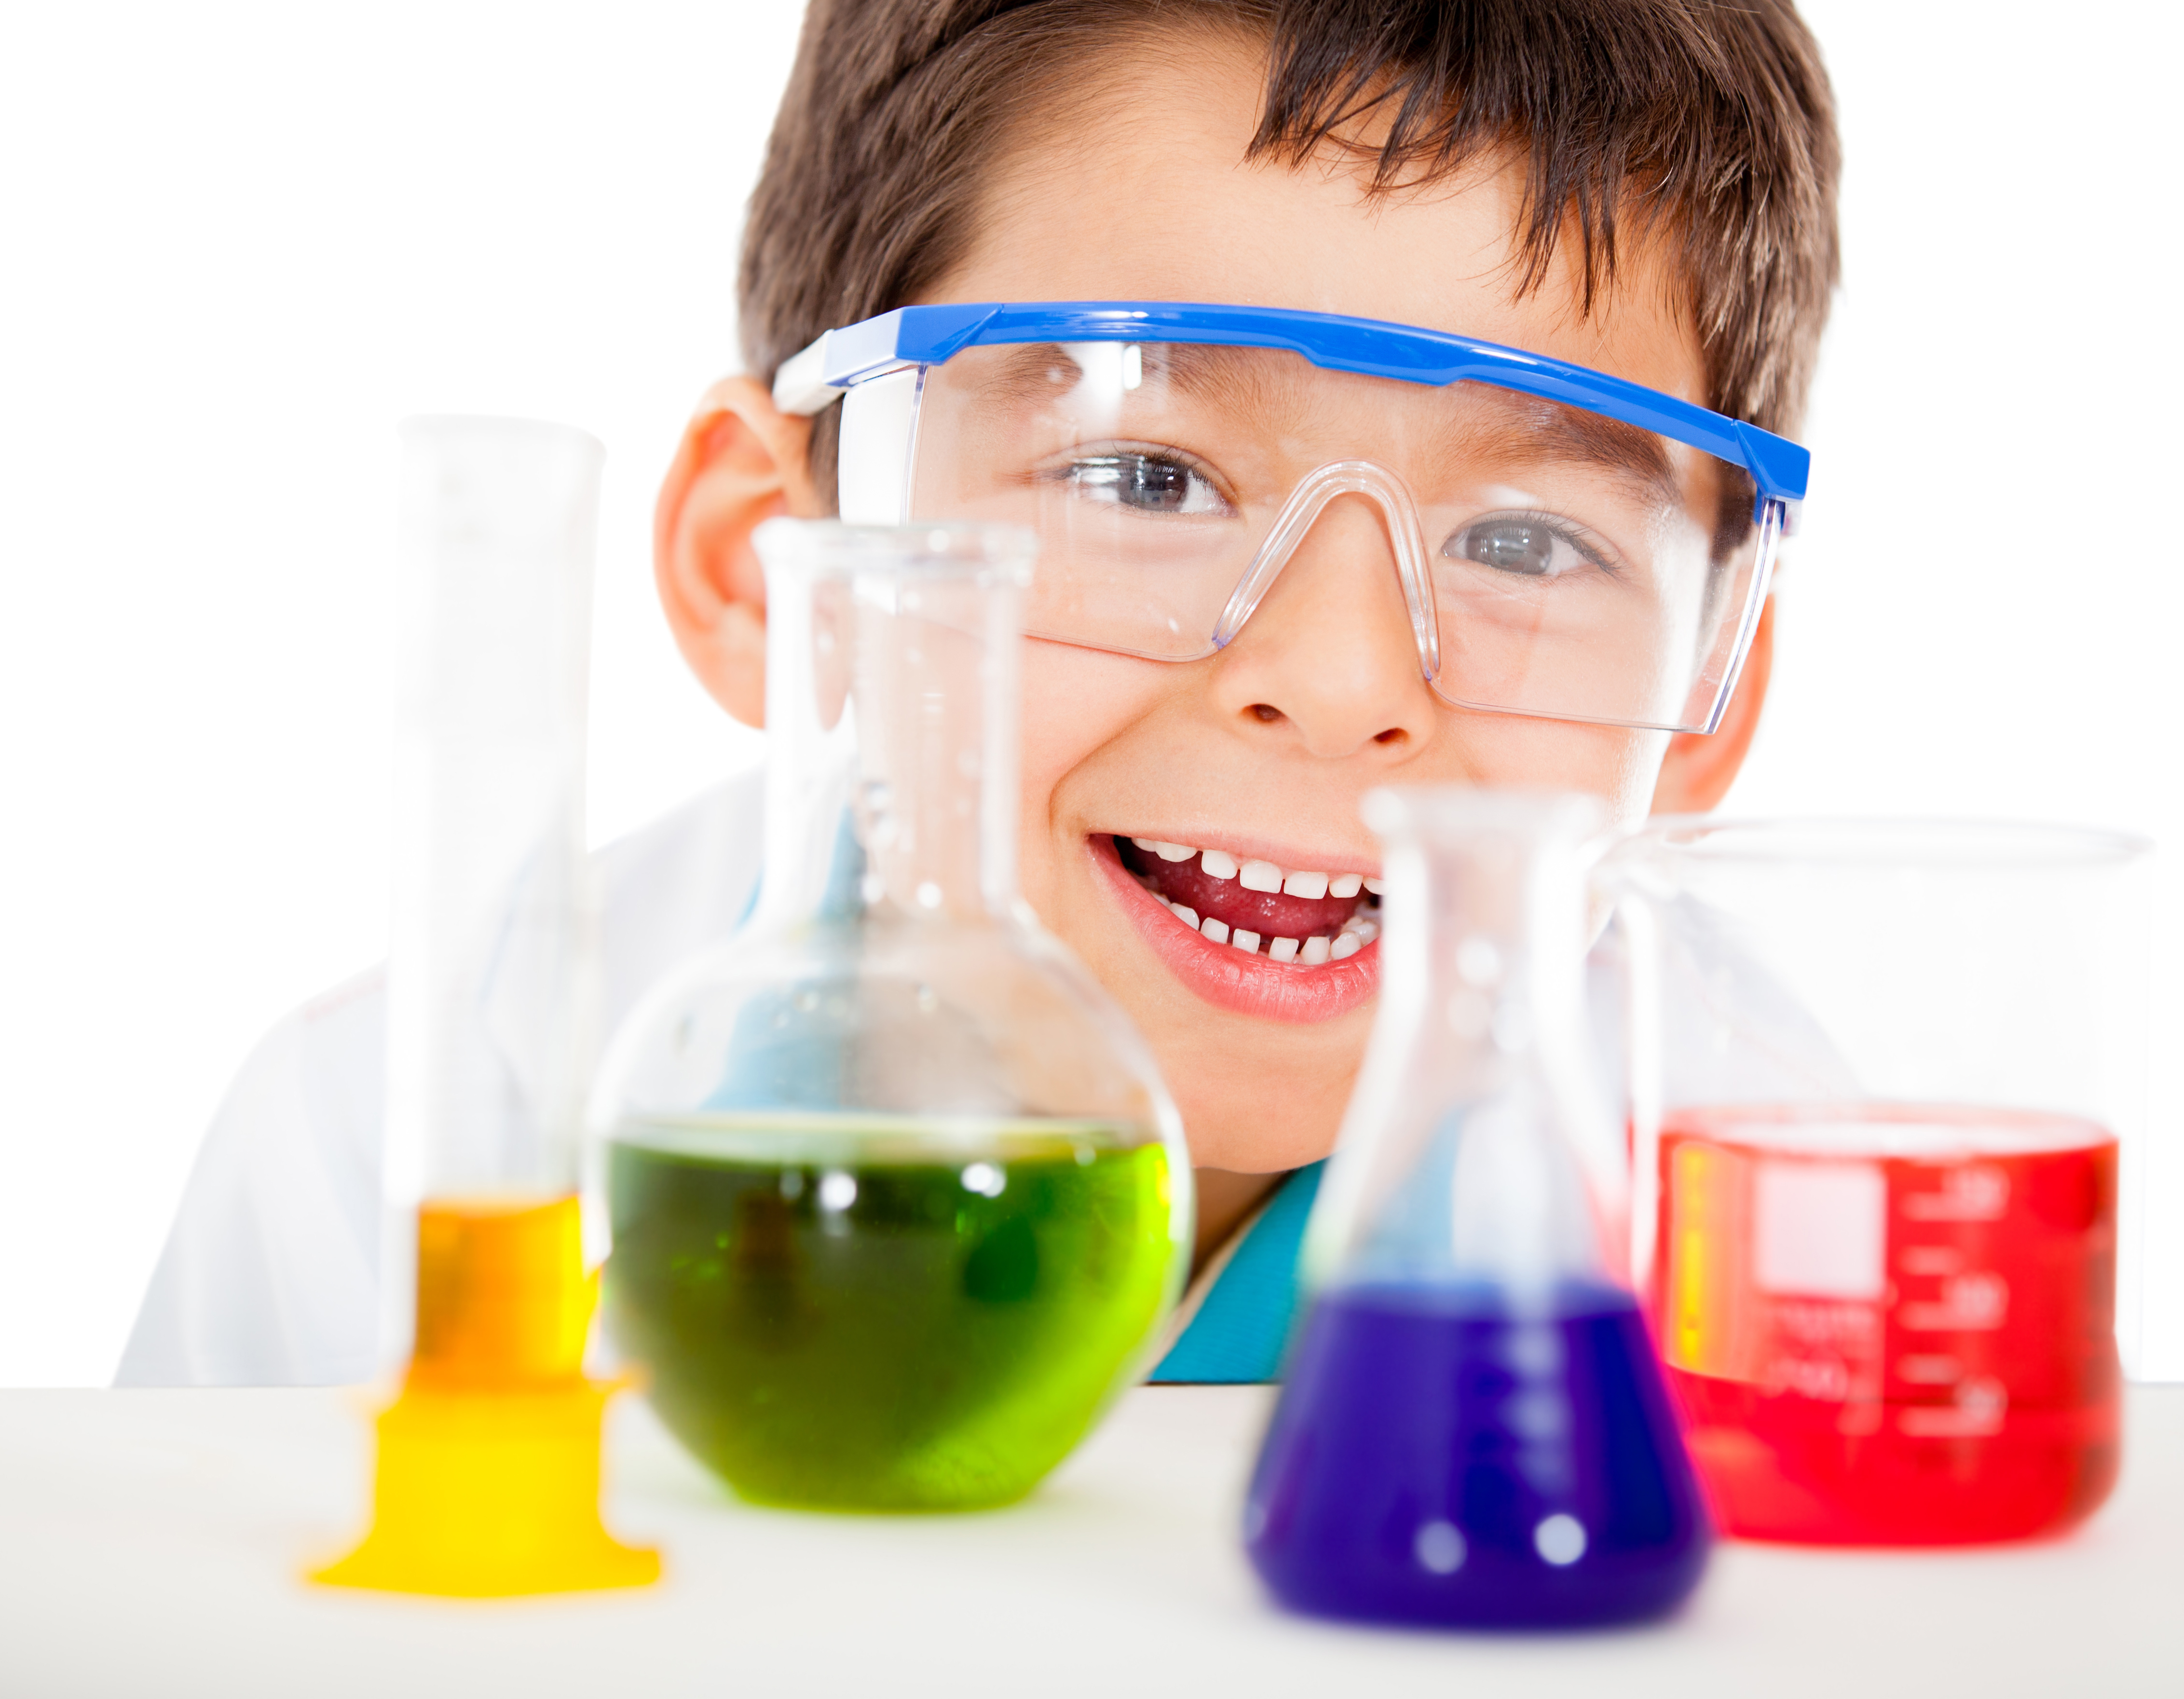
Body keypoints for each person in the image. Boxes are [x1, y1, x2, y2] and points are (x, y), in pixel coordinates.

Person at [119, 0, 1839, 1386]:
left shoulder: (1777, 1210)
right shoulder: (410, 1142)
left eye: (1530, 545)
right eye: (1149, 477)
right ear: (768, 569)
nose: (1340, 684)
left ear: (1713, 690)